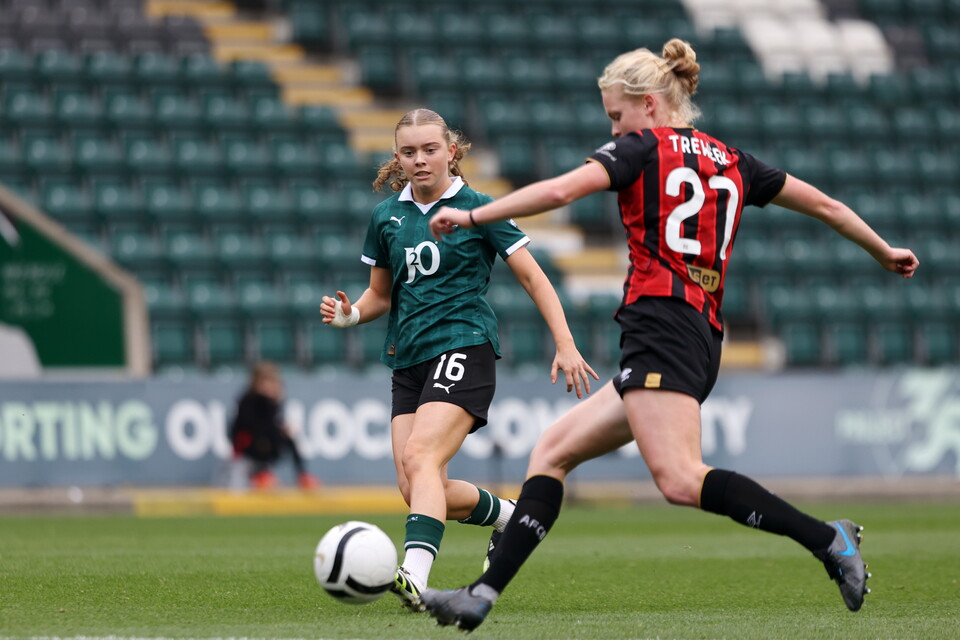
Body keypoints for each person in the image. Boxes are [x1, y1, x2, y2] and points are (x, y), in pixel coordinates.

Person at [421, 39, 920, 631]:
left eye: (616, 114)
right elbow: (830, 206)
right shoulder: (734, 160)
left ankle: (826, 538)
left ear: (650, 104)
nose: (612, 127)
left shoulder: (642, 148)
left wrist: (475, 215)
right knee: (551, 452)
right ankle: (482, 593)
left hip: (663, 325)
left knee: (681, 478)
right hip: (698, 330)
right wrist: (883, 250)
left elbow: (558, 193)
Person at [319, 108, 598, 612]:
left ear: (451, 150)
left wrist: (566, 343)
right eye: (409, 152)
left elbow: (535, 278)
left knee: (422, 456)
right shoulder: (387, 217)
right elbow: (379, 295)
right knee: (417, 486)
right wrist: (351, 314)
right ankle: (510, 516)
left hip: (464, 344)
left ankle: (413, 578)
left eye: (430, 149)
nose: (420, 160)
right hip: (408, 356)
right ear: (397, 158)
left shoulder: (478, 208)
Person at [229, 362, 321, 490]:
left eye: (271, 382)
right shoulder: (248, 400)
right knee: (264, 438)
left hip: (265, 444)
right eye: (264, 382)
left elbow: (273, 424)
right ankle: (260, 473)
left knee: (288, 439)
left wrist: (282, 430)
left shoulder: (274, 403)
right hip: (247, 446)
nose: (268, 386)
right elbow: (249, 427)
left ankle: (302, 475)